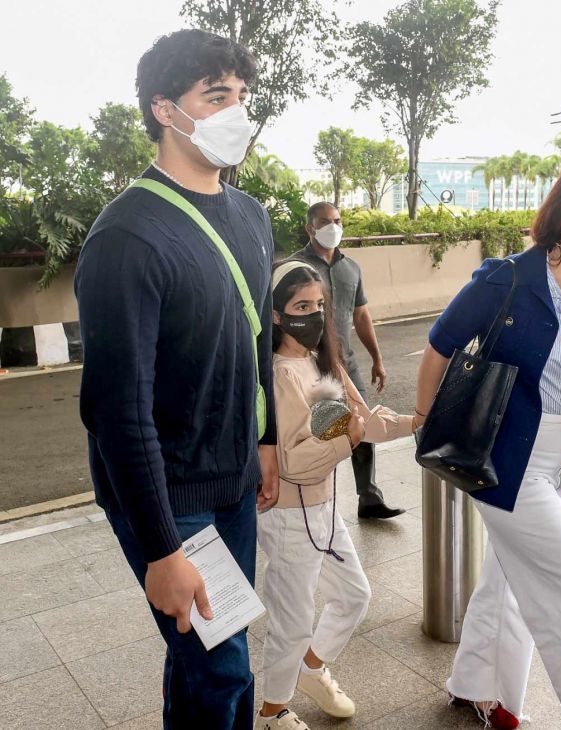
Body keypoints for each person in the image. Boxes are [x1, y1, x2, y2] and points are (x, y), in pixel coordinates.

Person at [75, 30, 278, 729]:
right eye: (216, 96)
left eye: (242, 98)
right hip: (168, 492)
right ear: (166, 110)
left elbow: (260, 341)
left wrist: (269, 443)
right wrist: (161, 545)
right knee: (223, 666)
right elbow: (114, 408)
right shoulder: (127, 235)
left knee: (214, 652)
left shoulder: (252, 217)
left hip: (234, 480)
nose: (237, 114)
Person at [415, 160, 561, 730]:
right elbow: (438, 347)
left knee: (507, 575)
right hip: (507, 459)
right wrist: (427, 426)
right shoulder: (508, 279)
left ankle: (478, 684)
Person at [255, 260, 417, 730]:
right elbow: (294, 461)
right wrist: (349, 436)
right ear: (277, 315)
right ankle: (272, 712)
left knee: (353, 595)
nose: (314, 314)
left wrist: (416, 422)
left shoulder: (321, 362)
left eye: (320, 305)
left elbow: (363, 420)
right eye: (301, 306)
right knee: (292, 617)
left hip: (323, 510)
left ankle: (309, 667)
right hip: (288, 515)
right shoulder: (280, 375)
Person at [291, 202, 405, 519]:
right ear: (309, 228)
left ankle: (369, 498)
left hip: (347, 364)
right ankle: (313, 502)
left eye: (338, 221)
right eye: (325, 221)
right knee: (309, 433)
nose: (333, 227)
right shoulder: (294, 268)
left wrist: (377, 359)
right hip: (307, 366)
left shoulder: (350, 268)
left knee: (363, 425)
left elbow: (361, 315)